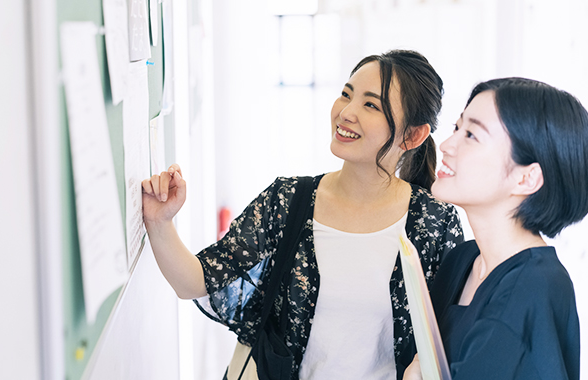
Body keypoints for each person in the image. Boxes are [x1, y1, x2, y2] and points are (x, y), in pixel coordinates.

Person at [142, 50, 464, 380]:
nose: (346, 113)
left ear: (413, 135)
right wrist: (159, 221)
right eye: (346, 94)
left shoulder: (434, 223)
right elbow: (194, 281)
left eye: (371, 105)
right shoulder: (287, 200)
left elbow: (451, 340)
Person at [403, 77, 588, 380]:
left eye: (472, 135)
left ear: (526, 179)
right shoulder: (461, 260)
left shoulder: (532, 288)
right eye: (456, 128)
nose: (447, 145)